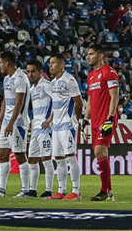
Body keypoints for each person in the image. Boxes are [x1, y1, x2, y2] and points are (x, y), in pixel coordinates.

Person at [0, 51, 31, 197]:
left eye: (0, 62)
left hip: (18, 123)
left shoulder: (21, 78)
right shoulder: (7, 79)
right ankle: (1, 190)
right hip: (7, 121)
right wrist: (0, 121)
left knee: (19, 154)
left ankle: (26, 189)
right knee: (2, 154)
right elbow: (6, 101)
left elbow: (19, 102)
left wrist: (11, 123)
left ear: (7, 62)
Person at [47, 53, 84, 200]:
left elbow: (78, 102)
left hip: (67, 125)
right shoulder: (53, 83)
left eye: (53, 63)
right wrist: (51, 119)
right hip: (56, 126)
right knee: (59, 159)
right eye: (50, 63)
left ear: (62, 65)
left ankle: (76, 191)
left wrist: (74, 119)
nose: (50, 66)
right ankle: (61, 190)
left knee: (70, 158)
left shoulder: (69, 80)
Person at [86, 44, 120, 201]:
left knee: (99, 152)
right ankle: (109, 190)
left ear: (100, 56)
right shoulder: (91, 76)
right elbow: (90, 99)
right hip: (94, 120)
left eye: (92, 54)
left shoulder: (109, 72)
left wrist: (110, 117)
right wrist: (86, 119)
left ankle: (103, 191)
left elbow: (114, 96)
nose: (88, 57)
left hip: (105, 119)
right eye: (88, 54)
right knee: (101, 154)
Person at [26, 59, 54, 197]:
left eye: (33, 72)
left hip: (46, 128)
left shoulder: (46, 85)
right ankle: (33, 189)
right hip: (36, 128)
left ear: (40, 72)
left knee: (46, 159)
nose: (30, 75)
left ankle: (48, 190)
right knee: (32, 158)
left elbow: (58, 100)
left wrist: (49, 119)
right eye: (28, 72)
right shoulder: (32, 89)